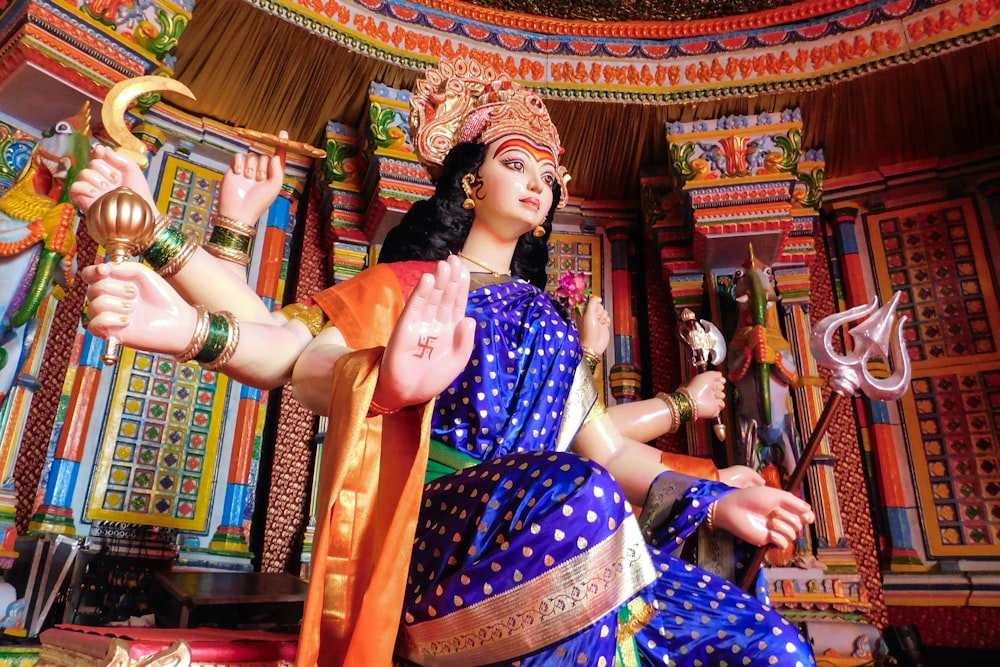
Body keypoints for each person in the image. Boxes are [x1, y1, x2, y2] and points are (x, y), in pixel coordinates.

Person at [71, 57, 816, 667]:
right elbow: (296, 354)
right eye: (517, 163)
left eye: (549, 175)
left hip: (564, 521)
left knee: (766, 644)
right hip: (443, 532)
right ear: (469, 181)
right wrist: (374, 381)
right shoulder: (411, 284)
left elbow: (610, 448)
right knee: (581, 499)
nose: (538, 183)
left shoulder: (550, 321)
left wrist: (715, 497)